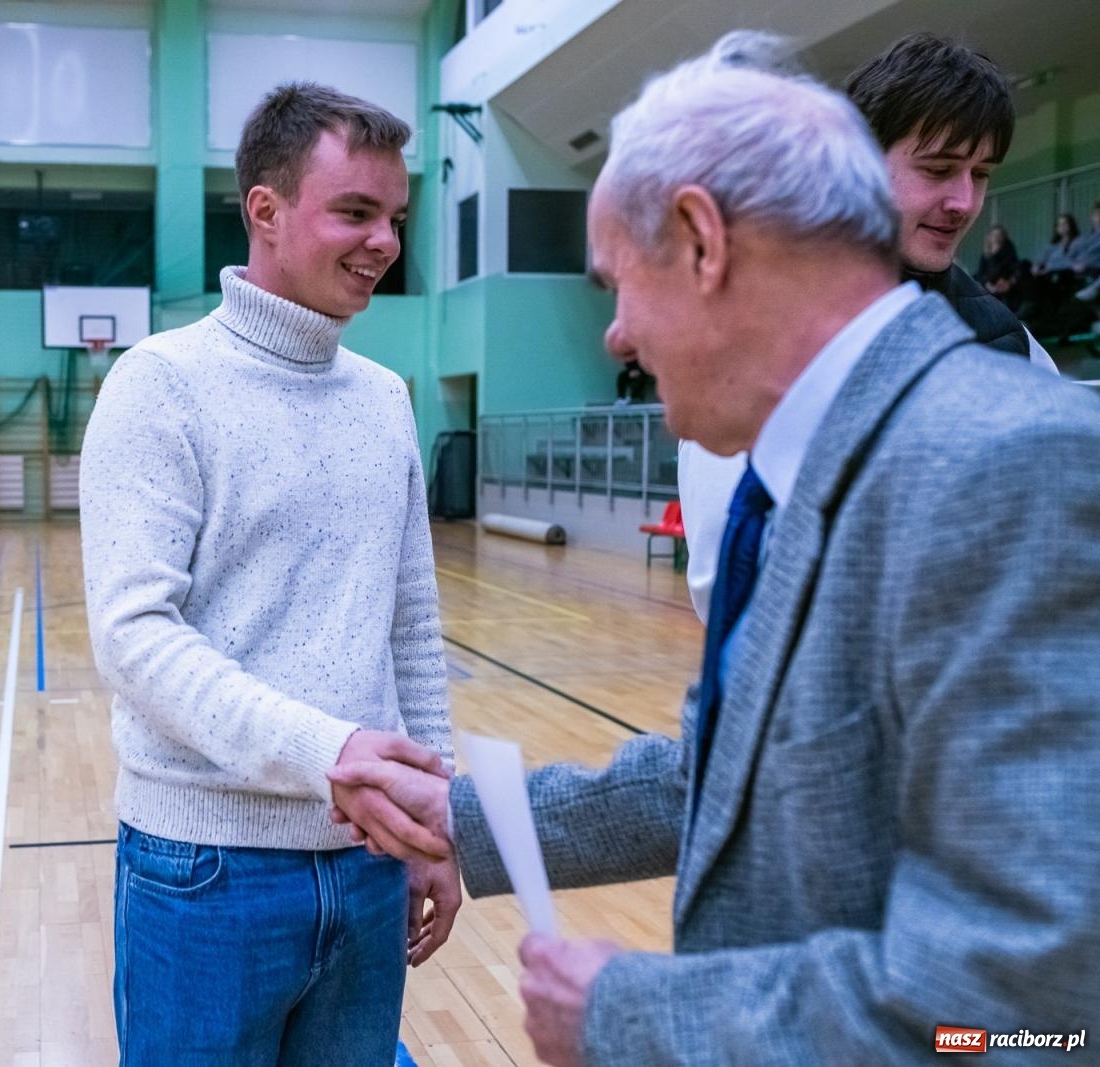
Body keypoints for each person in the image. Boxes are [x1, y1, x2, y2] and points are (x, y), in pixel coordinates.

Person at [332, 31, 1100, 1065]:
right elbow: (731, 773)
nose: (613, 336)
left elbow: (1021, 1016)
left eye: (618, 282)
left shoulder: (1008, 467)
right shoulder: (821, 467)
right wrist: (462, 815)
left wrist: (632, 1015)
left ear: (700, 241)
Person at [79, 82, 457, 1065]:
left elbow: (411, 622)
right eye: (355, 212)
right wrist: (327, 750)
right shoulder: (159, 385)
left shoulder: (383, 399)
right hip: (205, 871)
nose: (383, 241)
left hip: (369, 864)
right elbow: (134, 635)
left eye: (395, 218)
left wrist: (435, 815)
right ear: (266, 210)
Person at [679, 32, 1058, 621]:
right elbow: (728, 580)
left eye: (980, 174)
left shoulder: (1009, 345)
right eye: (937, 169)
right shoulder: (754, 338)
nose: (963, 201)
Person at [973, 224, 1020, 302]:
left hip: (1005, 281)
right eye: (993, 235)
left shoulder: (1008, 250)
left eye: (999, 235)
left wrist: (1008, 282)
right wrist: (987, 284)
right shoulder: (986, 254)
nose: (996, 238)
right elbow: (981, 272)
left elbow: (1012, 267)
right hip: (989, 283)